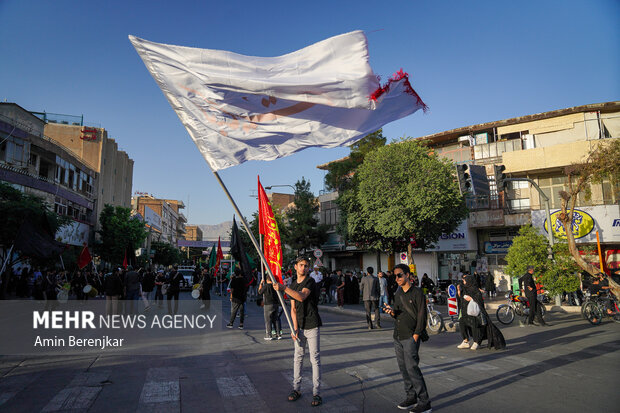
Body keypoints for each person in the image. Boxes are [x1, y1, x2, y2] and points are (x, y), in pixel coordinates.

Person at [272, 257, 323, 407]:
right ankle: (296, 389)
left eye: (306, 266)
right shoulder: (293, 284)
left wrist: (284, 288)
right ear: (295, 267)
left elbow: (301, 297)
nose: (304, 268)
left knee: (315, 359)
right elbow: (293, 309)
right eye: (301, 265)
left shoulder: (310, 282)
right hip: (299, 327)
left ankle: (316, 392)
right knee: (298, 358)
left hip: (312, 325)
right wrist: (294, 328)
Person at [382, 264, 431, 413]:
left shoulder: (417, 293)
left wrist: (416, 335)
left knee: (412, 368)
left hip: (410, 336)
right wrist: (390, 311)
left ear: (408, 275)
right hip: (398, 335)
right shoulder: (398, 293)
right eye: (395, 276)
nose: (397, 278)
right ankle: (411, 396)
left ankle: (424, 401)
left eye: (399, 275)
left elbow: (422, 316)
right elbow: (397, 313)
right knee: (403, 369)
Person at [456, 273, 486, 350]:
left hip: (473, 312)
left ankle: (476, 342)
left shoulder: (475, 289)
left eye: (465, 280)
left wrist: (471, 299)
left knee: (474, 326)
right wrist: (459, 291)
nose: (464, 282)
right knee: (462, 324)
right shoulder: (465, 288)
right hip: (464, 311)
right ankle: (465, 341)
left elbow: (479, 300)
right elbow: (460, 298)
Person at [258, 275, 281, 340]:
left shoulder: (266, 286)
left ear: (267, 279)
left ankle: (269, 335)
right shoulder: (275, 286)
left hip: (268, 304)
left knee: (268, 320)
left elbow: (259, 292)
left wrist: (261, 283)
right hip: (276, 303)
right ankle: (278, 334)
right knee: (275, 319)